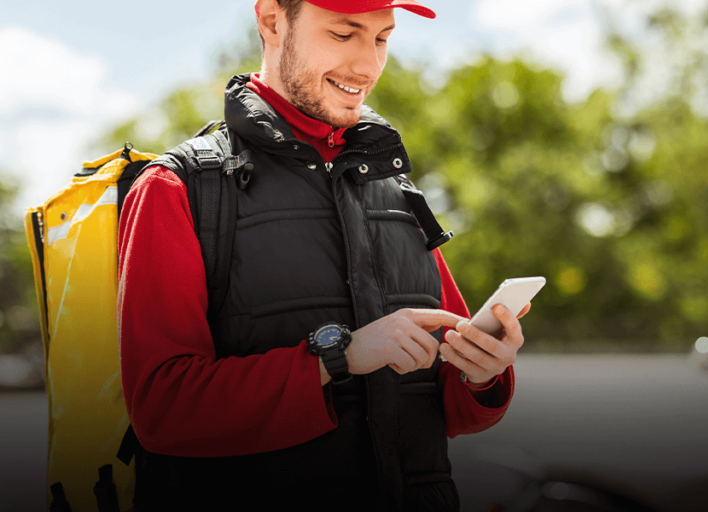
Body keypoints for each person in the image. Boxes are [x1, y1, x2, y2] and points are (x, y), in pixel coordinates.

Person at [115, 1, 530, 510]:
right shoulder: (174, 189)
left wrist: (481, 372)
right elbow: (162, 412)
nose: (367, 66)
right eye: (343, 34)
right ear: (271, 21)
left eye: (381, 38)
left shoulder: (396, 189)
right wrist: (338, 357)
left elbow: (448, 407)